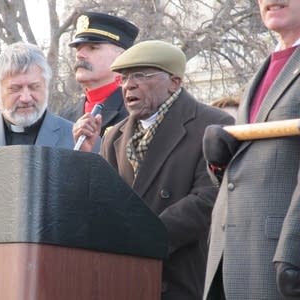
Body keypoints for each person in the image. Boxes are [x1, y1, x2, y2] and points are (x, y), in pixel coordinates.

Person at [72, 40, 234, 299]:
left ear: (174, 82)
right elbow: (101, 204)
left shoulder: (213, 124)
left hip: (183, 277)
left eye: (140, 75)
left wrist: (146, 237)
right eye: (123, 78)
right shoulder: (114, 136)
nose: (128, 85)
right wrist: (84, 158)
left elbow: (209, 198)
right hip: (125, 277)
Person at [202, 1, 300, 299]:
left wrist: (294, 250)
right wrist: (220, 162)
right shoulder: (268, 65)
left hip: (277, 260)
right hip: (232, 256)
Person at [65, 11, 139, 136]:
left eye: (92, 48)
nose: (79, 55)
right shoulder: (65, 116)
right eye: (78, 48)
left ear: (121, 57)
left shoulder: (137, 112)